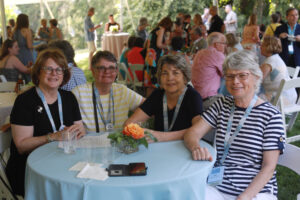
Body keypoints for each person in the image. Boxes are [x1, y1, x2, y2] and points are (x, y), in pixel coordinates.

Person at [184, 50, 285, 200]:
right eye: (230, 76)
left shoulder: (271, 116)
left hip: (256, 191)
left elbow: (269, 167)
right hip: (217, 185)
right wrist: (195, 147)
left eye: (242, 75)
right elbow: (192, 133)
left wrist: (243, 198)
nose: (235, 81)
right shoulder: (222, 104)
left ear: (256, 78)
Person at [6, 49, 85, 196]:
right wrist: (54, 137)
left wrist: (79, 132)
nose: (54, 74)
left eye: (59, 70)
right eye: (48, 69)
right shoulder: (25, 101)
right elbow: (22, 146)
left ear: (64, 74)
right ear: (38, 73)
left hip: (64, 162)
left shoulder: (69, 98)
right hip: (31, 169)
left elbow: (80, 128)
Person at [125, 55, 203, 142]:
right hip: (159, 149)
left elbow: (198, 130)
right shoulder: (157, 95)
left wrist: (161, 136)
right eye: (165, 73)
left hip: (184, 147)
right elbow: (129, 123)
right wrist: (138, 132)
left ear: (185, 77)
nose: (170, 78)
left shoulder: (193, 96)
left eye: (175, 73)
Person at [72, 51, 144, 132]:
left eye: (111, 68)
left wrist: (132, 120)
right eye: (101, 68)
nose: (107, 72)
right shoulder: (79, 93)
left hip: (119, 142)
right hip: (90, 142)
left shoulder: (122, 91)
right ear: (92, 70)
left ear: (116, 71)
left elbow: (148, 106)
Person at [192, 32, 226, 110]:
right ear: (216, 44)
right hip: (210, 100)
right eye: (224, 43)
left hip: (196, 98)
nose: (225, 46)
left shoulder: (199, 53)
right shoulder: (217, 54)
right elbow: (227, 74)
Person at [259, 36, 297, 104]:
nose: (260, 47)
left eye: (262, 45)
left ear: (269, 47)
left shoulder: (269, 62)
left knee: (251, 98)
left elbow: (257, 80)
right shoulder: (276, 58)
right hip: (290, 97)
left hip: (280, 100)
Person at [13, 13, 33, 82]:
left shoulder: (14, 31)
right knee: (28, 74)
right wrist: (37, 46)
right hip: (26, 55)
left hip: (16, 55)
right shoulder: (27, 31)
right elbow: (29, 45)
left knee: (20, 76)